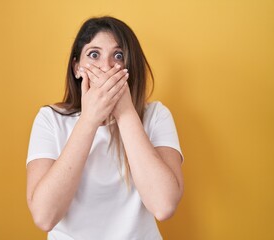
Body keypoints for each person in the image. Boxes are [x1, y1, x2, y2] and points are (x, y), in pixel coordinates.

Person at [26, 16, 184, 240]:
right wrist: (89, 119)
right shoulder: (50, 119)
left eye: (118, 56)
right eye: (94, 54)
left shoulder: (156, 116)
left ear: (129, 67)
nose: (107, 66)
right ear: (77, 68)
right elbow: (44, 216)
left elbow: (164, 206)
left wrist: (125, 112)